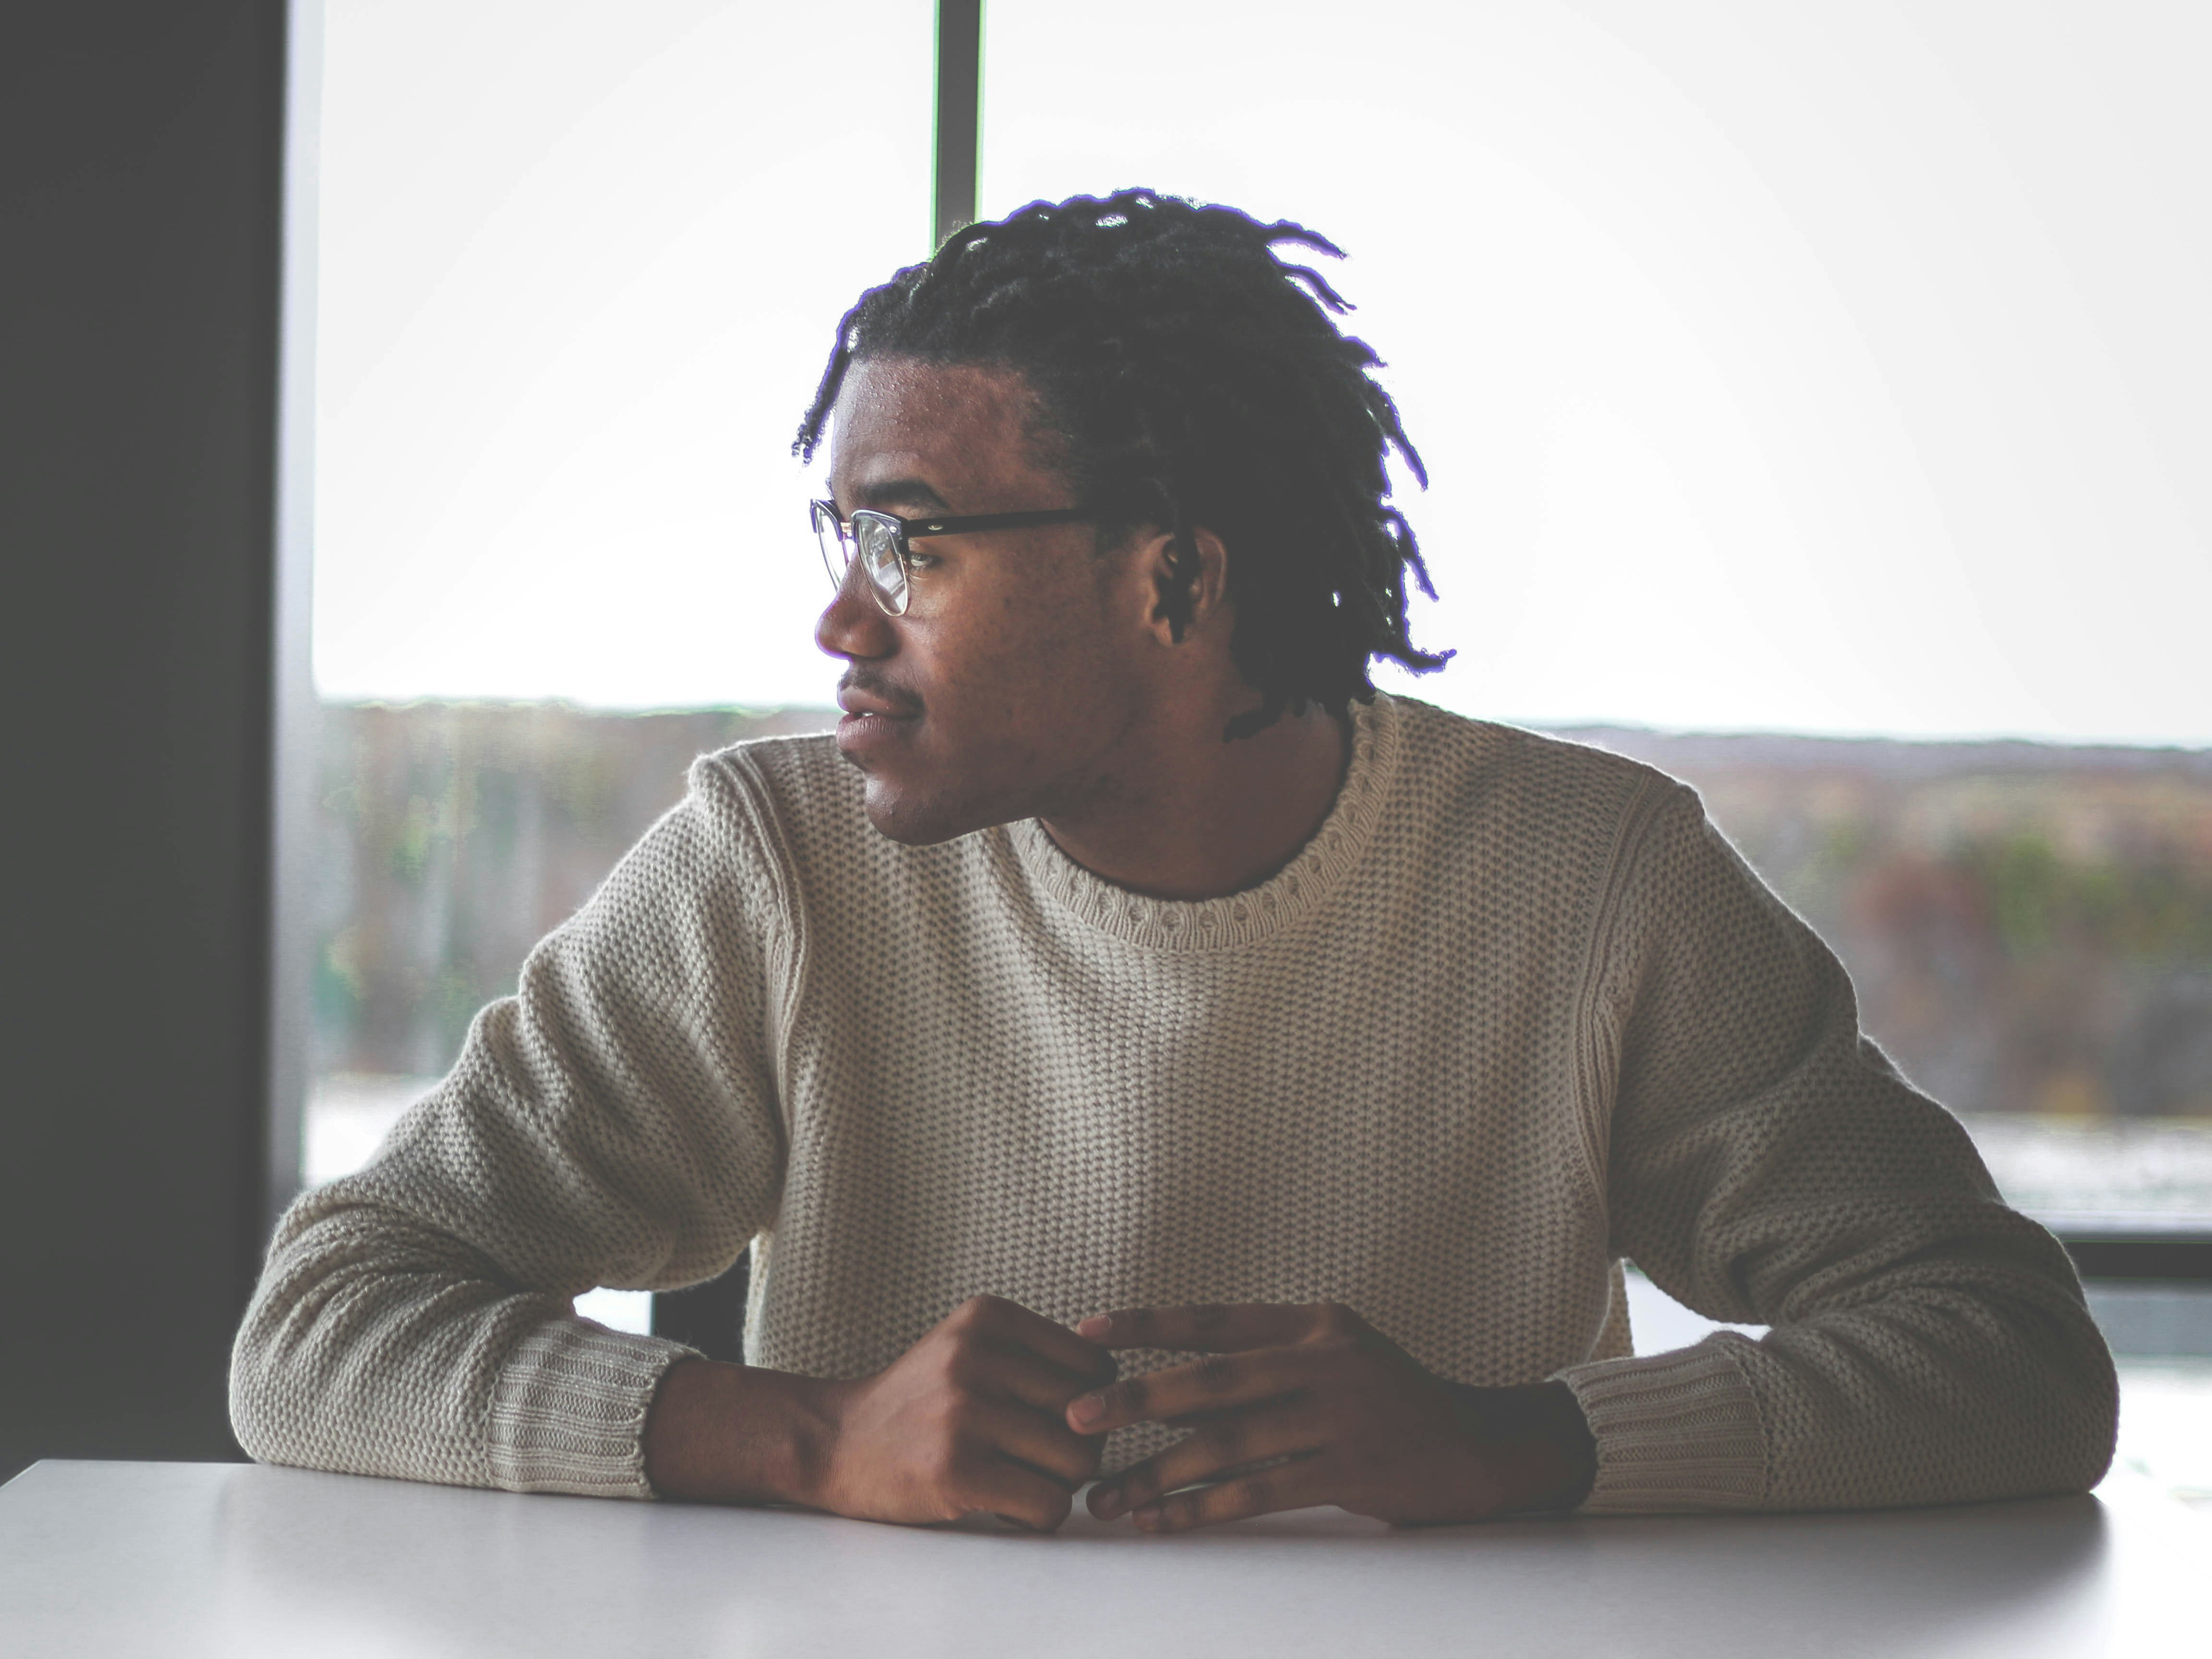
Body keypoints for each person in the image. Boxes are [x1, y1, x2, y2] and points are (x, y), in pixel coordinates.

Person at [231, 189, 2116, 1533]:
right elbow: (322, 1330)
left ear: (1176, 580)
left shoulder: (1591, 882)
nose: (837, 624)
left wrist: (1516, 1444)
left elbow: (2013, 1359)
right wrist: (812, 1439)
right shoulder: (776, 864)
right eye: (840, 535)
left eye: (911, 546)